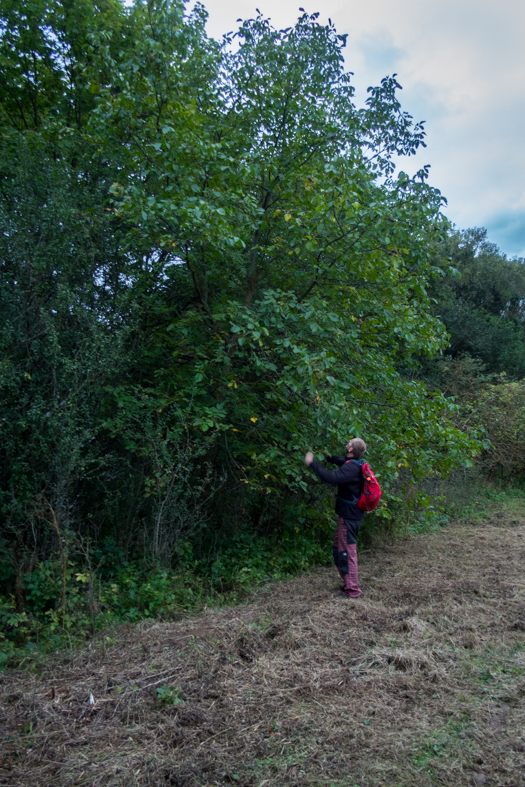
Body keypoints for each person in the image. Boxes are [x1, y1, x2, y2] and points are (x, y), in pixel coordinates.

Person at [305, 438, 367, 598]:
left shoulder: (351, 469)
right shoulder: (356, 463)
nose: (348, 442)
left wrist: (312, 463)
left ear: (351, 449)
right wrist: (328, 456)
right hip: (352, 514)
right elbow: (342, 461)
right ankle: (349, 583)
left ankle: (353, 591)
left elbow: (330, 478)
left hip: (349, 516)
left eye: (350, 442)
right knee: (339, 548)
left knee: (347, 551)